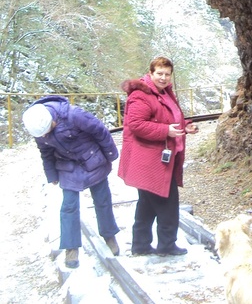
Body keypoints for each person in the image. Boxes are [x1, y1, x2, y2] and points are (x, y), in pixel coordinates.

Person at [23, 97, 121, 268]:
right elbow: (45, 152)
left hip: (92, 159)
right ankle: (71, 247)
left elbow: (100, 131)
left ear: (52, 120)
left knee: (102, 200)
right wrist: (51, 174)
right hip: (67, 165)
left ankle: (109, 236)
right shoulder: (37, 126)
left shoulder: (74, 115)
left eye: (47, 131)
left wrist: (111, 154)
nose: (45, 136)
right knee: (68, 206)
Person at [118, 56, 197, 256]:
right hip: (150, 161)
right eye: (159, 73)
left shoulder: (163, 93)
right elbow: (136, 125)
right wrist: (165, 131)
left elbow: (170, 118)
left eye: (167, 74)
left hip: (158, 158)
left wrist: (185, 126)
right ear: (151, 73)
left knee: (147, 204)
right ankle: (167, 245)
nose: (163, 77)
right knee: (168, 204)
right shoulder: (141, 95)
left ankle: (141, 245)